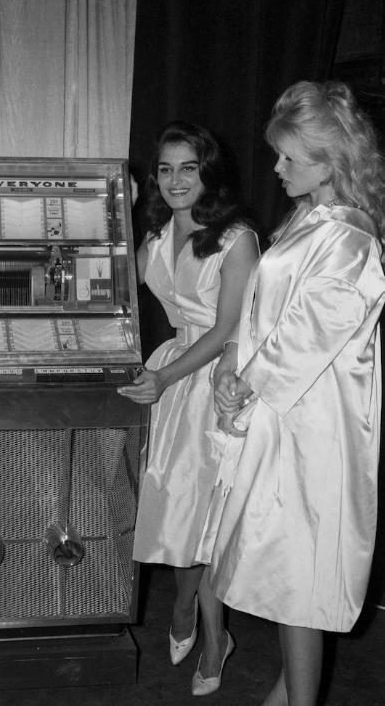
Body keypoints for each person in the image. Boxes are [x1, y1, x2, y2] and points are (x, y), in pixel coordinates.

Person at [212, 80, 385, 706]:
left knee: (301, 582)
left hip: (315, 427)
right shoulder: (314, 219)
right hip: (287, 417)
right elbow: (273, 315)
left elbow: (310, 333)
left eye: (290, 157)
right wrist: (237, 367)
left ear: (330, 160)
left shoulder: (350, 238)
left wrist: (247, 380)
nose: (277, 168)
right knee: (291, 576)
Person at [117, 121, 259, 696]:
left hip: (220, 378)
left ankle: (208, 628)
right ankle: (189, 610)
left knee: (206, 520)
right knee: (173, 506)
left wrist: (164, 377)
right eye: (166, 168)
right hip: (172, 370)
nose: (176, 180)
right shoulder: (152, 236)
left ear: (208, 174)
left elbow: (227, 328)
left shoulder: (237, 238)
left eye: (189, 168)